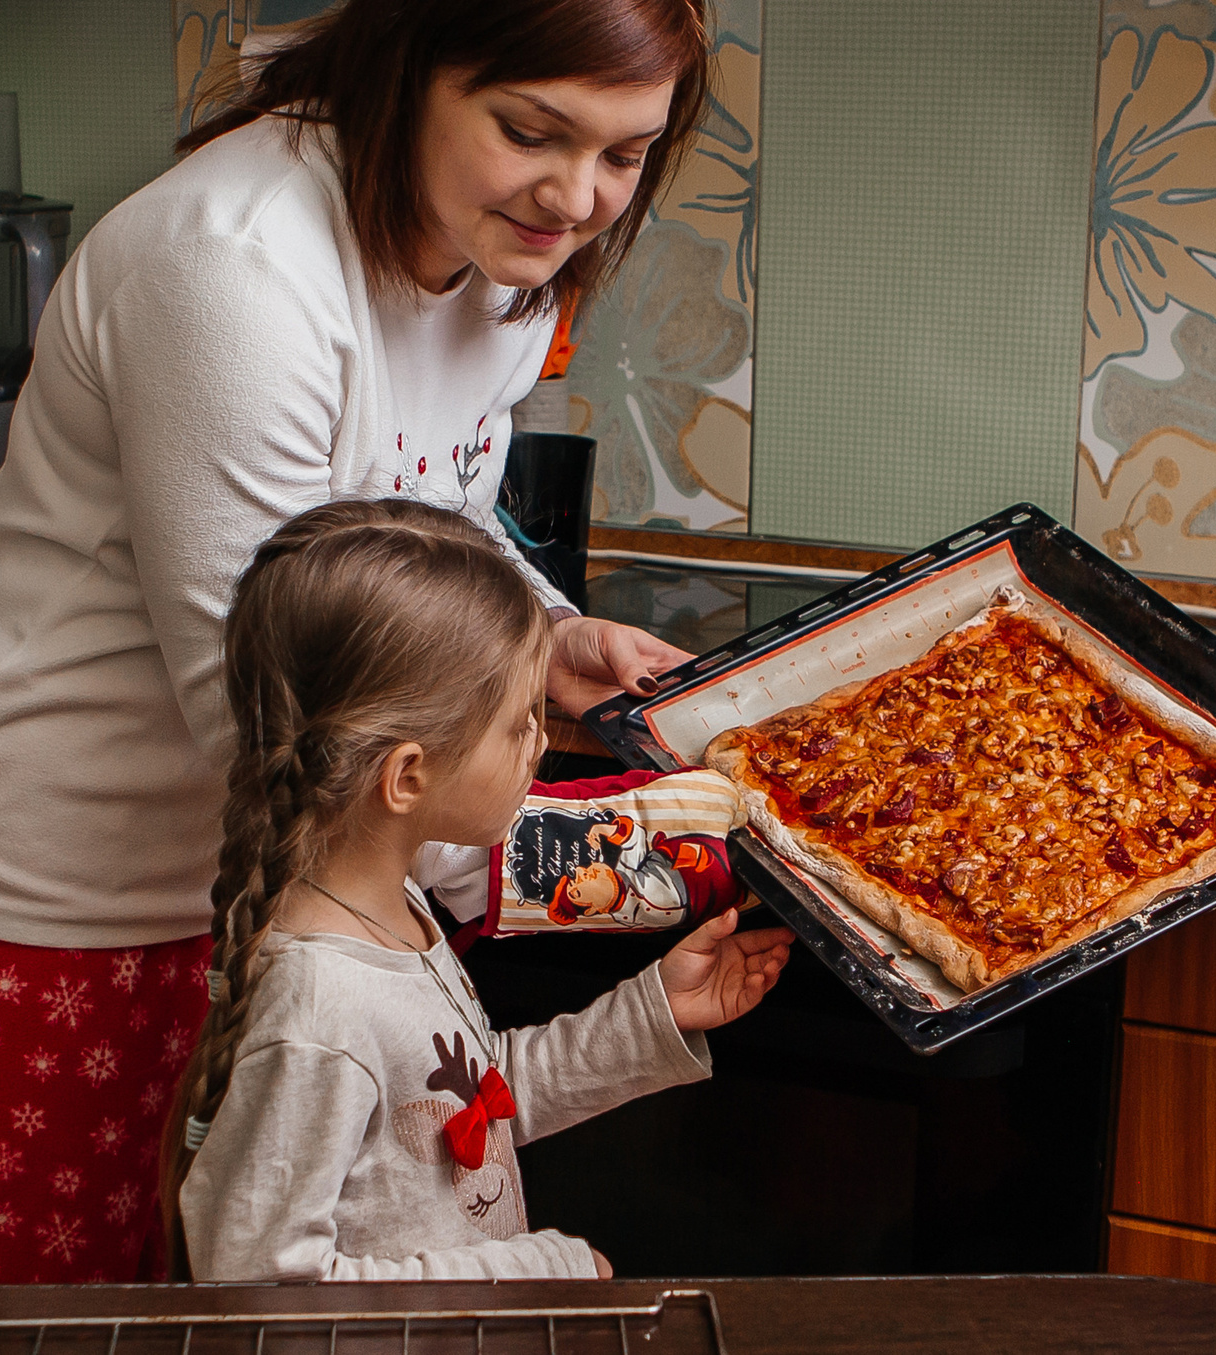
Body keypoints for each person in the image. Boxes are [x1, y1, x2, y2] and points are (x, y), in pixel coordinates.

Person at [0, 0, 711, 1285]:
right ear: (411, 59)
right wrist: (605, 857)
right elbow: (275, 721)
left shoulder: (493, 256)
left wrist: (546, 628)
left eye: (624, 152)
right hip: (59, 914)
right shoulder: (235, 274)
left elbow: (429, 519)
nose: (575, 199)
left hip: (274, 903)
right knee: (68, 1335)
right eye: (533, 128)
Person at [166, 499, 791, 1280]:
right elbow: (257, 1284)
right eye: (518, 721)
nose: (540, 740)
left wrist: (653, 1012)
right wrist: (535, 1273)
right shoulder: (317, 1013)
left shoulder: (394, 908)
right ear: (407, 775)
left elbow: (462, 1103)